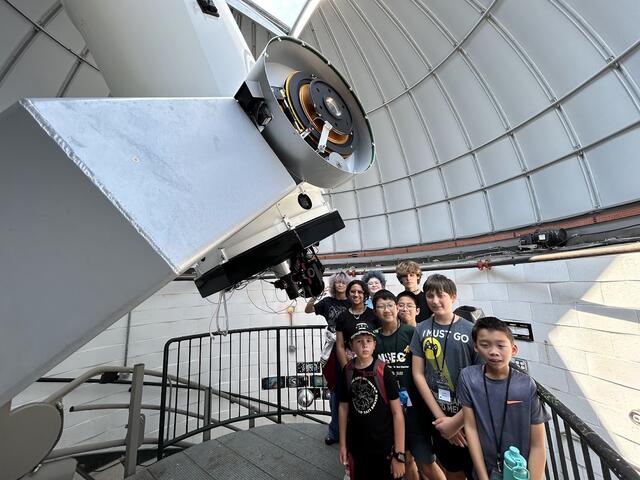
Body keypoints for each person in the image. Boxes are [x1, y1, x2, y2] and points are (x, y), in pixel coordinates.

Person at [458, 317, 549, 480]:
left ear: (514, 349)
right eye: (485, 345)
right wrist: (483, 476)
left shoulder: (525, 385)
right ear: (476, 347)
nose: (493, 351)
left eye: (501, 345)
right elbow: (471, 429)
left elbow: (538, 444)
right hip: (485, 470)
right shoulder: (468, 378)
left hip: (521, 472)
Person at [410, 274, 477, 480]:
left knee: (477, 468)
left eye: (441, 295)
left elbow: (480, 382)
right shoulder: (421, 329)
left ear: (453, 297)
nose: (435, 301)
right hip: (438, 414)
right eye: (430, 296)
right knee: (451, 469)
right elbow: (418, 374)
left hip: (470, 416)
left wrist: (455, 423)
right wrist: (442, 419)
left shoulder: (471, 330)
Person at [373, 290, 445, 480]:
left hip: (416, 408)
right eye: (381, 306)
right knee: (406, 460)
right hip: (391, 410)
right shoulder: (373, 339)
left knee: (427, 463)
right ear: (375, 311)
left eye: (390, 305)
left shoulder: (411, 332)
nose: (386, 310)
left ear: (397, 308)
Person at [339, 322, 406, 480]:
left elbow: (397, 413)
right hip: (357, 446)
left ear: (374, 344)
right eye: (359, 341)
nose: (364, 345)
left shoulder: (383, 371)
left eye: (368, 340)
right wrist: (343, 444)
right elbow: (343, 408)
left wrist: (399, 454)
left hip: (384, 446)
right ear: (351, 345)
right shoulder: (347, 371)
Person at [305, 272, 351, 445]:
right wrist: (314, 296)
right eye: (337, 282)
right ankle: (334, 431)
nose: (340, 285)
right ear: (333, 284)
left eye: (343, 282)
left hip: (349, 348)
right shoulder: (327, 302)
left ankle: (351, 431)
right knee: (335, 391)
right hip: (332, 348)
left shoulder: (351, 301)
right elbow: (309, 310)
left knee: (351, 388)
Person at [335, 280, 379, 369]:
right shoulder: (342, 317)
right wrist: (346, 369)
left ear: (365, 294)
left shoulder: (374, 314)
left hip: (372, 363)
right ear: (348, 294)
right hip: (350, 363)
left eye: (360, 292)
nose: (356, 295)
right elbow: (340, 345)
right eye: (352, 292)